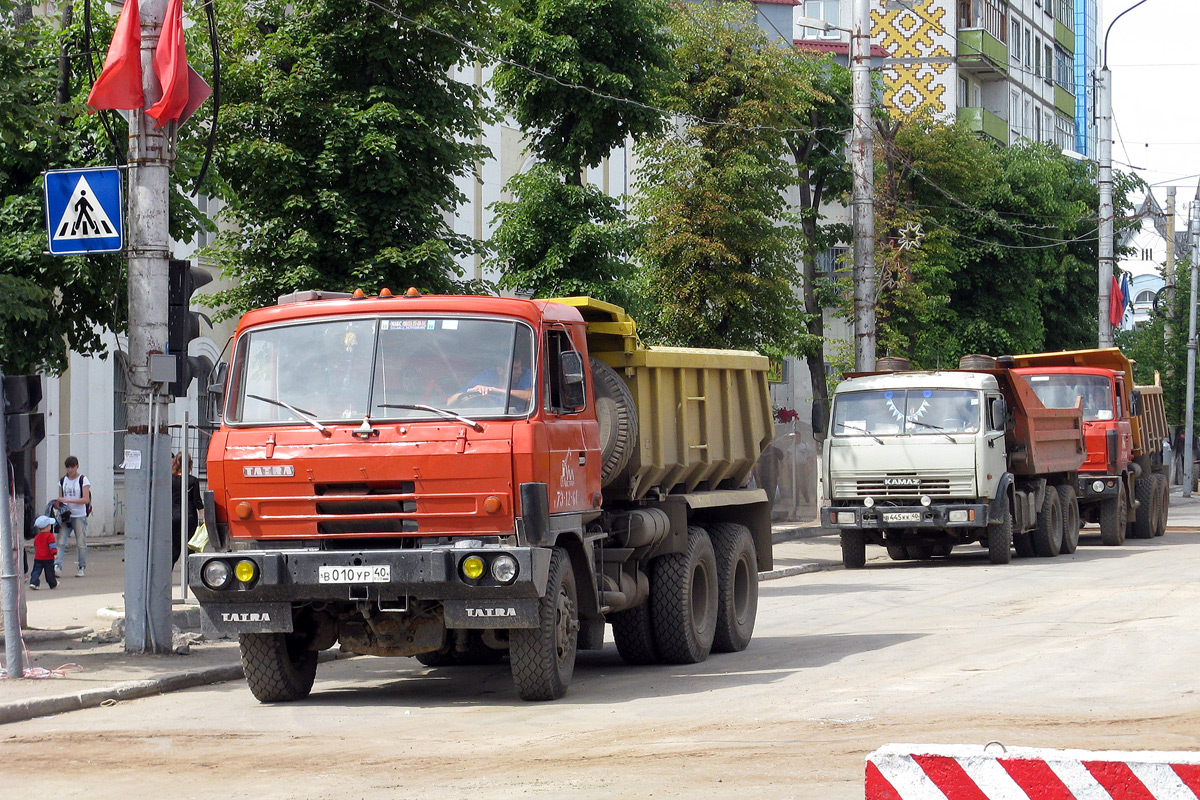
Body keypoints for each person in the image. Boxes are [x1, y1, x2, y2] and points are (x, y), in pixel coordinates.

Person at [446, 353, 533, 408]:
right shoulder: (486, 376)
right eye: (514, 369)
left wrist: (492, 390)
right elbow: (450, 401)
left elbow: (530, 396)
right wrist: (471, 394)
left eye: (520, 367)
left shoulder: (526, 374)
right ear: (500, 370)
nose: (520, 371)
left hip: (517, 421)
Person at [55, 456, 91, 577]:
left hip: (79, 515)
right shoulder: (62, 480)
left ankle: (81, 567)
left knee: (81, 542)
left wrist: (68, 499)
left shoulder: (83, 480)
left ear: (77, 466)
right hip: (66, 515)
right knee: (60, 541)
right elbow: (61, 498)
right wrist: (58, 504)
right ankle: (57, 566)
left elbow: (86, 499)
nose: (70, 470)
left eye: (72, 467)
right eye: (68, 467)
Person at [171, 452, 204, 567]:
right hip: (189, 517)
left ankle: (167, 574)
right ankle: (189, 576)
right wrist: (205, 517)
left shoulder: (170, 480)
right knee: (189, 546)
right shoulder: (193, 481)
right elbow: (197, 502)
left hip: (173, 517)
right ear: (190, 464)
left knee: (174, 547)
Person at [29, 515, 59, 590]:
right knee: (49, 572)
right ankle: (52, 584)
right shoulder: (50, 536)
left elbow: (36, 547)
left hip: (38, 557)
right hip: (48, 557)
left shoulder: (37, 537)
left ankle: (34, 583)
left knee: (36, 571)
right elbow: (52, 546)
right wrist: (54, 554)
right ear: (47, 527)